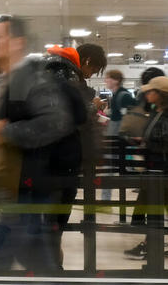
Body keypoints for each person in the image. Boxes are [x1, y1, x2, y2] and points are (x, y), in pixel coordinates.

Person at [0, 16, 76, 272]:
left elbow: (55, 122)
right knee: (25, 260)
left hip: (27, 189)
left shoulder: (32, 79)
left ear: (17, 43)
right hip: (9, 188)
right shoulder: (0, 82)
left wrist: (4, 131)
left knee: (17, 260)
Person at [44, 43, 106, 262]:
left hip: (49, 157)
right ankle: (51, 269)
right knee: (55, 217)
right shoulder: (65, 75)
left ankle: (50, 265)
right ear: (87, 61)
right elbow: (66, 115)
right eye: (94, 69)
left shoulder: (50, 71)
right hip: (60, 158)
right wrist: (92, 106)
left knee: (50, 218)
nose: (91, 74)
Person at [123, 76, 168, 260]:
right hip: (157, 165)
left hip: (163, 167)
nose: (147, 93)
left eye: (150, 91)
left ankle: (150, 243)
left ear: (160, 94)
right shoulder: (157, 111)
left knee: (154, 204)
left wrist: (150, 143)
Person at [102, 70, 136, 203]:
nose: (106, 80)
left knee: (109, 168)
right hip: (116, 136)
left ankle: (106, 200)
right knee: (109, 168)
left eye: (108, 78)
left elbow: (127, 117)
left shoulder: (123, 96)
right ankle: (106, 199)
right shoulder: (117, 95)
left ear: (116, 80)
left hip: (118, 137)